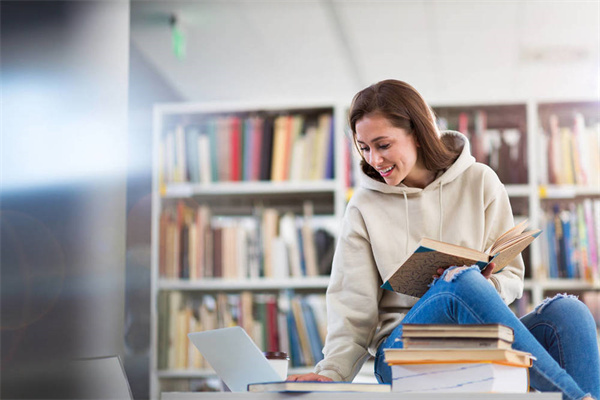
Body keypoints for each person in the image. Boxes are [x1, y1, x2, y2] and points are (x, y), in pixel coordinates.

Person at [287, 79, 599, 400]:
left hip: (478, 342)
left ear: (418, 135)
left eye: (383, 145)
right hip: (400, 351)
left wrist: (480, 287)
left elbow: (512, 277)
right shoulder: (364, 206)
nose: (374, 160)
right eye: (364, 148)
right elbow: (352, 307)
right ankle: (576, 398)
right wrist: (331, 373)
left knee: (569, 312)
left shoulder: (480, 181)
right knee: (458, 281)